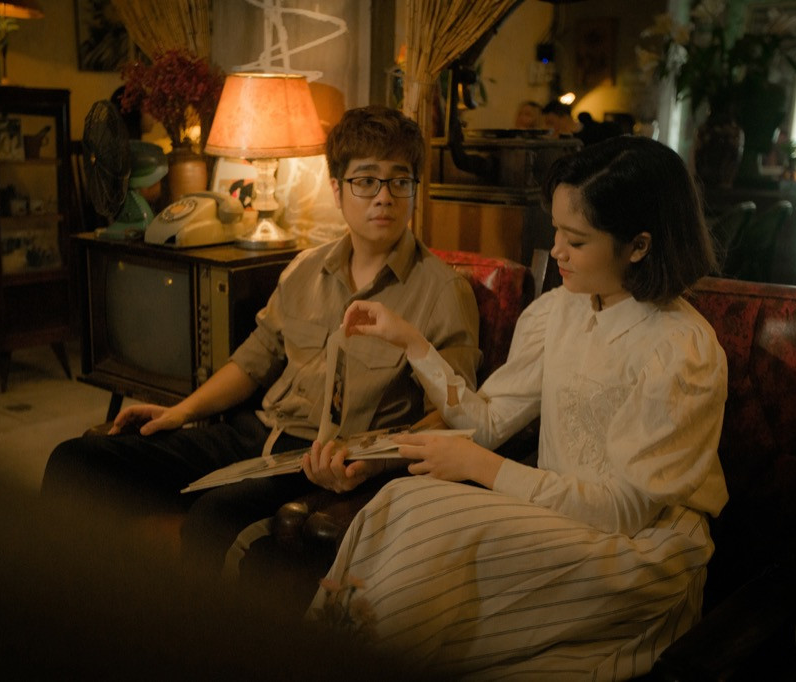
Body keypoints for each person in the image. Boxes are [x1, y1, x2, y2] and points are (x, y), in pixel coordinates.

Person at [307, 135, 729, 679]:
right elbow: (486, 422)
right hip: (558, 518)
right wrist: (412, 343)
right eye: (556, 231)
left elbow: (625, 511)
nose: (557, 251)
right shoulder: (560, 311)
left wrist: (480, 467)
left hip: (637, 550)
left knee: (429, 524)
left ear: (639, 246)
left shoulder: (680, 350)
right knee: (403, 500)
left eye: (576, 240)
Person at [41, 104, 481, 578]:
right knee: (78, 461)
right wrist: (181, 412)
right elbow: (253, 361)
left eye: (400, 181)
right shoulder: (305, 269)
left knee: (211, 520)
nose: (384, 197)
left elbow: (453, 413)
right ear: (337, 189)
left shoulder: (442, 291)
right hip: (252, 434)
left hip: (319, 460)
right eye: (366, 180)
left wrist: (375, 461)